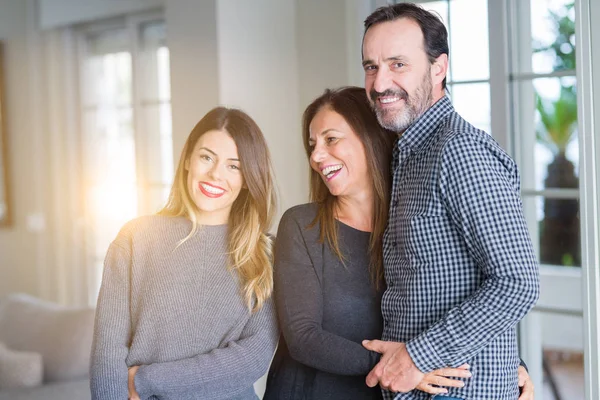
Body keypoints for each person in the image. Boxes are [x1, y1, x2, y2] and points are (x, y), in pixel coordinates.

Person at [359, 3, 540, 400]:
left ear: (438, 68)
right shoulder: (406, 153)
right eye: (371, 67)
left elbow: (518, 282)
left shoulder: (459, 152)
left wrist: (415, 357)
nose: (379, 82)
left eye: (397, 64)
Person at [264, 86, 487, 399]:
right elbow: (303, 338)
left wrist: (513, 364)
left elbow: (465, 300)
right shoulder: (301, 225)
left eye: (331, 139)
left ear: (370, 138)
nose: (316, 156)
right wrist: (400, 364)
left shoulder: (416, 227)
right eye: (312, 145)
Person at [89, 107, 279, 400]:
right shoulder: (136, 238)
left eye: (234, 166)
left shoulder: (264, 252)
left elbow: (252, 357)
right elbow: (108, 351)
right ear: (188, 158)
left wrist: (146, 380)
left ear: (248, 176)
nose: (216, 174)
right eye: (207, 157)